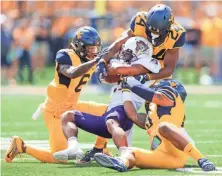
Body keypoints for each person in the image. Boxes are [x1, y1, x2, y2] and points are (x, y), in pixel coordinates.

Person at [82, 4, 187, 163]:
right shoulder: (139, 21)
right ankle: (107, 149)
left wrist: (147, 77)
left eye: (158, 33)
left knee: (160, 115)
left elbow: (168, 69)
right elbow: (118, 43)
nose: (152, 37)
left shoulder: (176, 34)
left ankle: (173, 143)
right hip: (132, 64)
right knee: (118, 108)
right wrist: (103, 61)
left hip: (155, 71)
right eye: (150, 31)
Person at [4, 26, 108, 163]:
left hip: (73, 106)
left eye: (96, 48)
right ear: (79, 46)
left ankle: (99, 150)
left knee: (110, 112)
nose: (93, 52)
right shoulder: (65, 55)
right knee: (58, 157)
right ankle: (22, 146)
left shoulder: (91, 59)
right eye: (90, 49)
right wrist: (95, 61)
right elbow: (72, 72)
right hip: (56, 110)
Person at [53, 36, 161, 161]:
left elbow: (120, 69)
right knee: (68, 116)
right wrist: (103, 69)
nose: (124, 54)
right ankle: (74, 147)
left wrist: (108, 61)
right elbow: (109, 77)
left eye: (128, 51)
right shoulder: (130, 64)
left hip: (124, 110)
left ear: (139, 51)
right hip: (112, 112)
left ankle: (124, 154)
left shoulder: (149, 63)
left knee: (111, 122)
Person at [94, 78, 216, 172]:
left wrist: (132, 86)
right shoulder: (152, 117)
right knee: (129, 151)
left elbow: (157, 97)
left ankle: (202, 159)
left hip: (178, 150)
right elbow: (132, 115)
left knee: (163, 127)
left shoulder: (171, 97)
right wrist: (125, 91)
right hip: (163, 156)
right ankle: (121, 163)